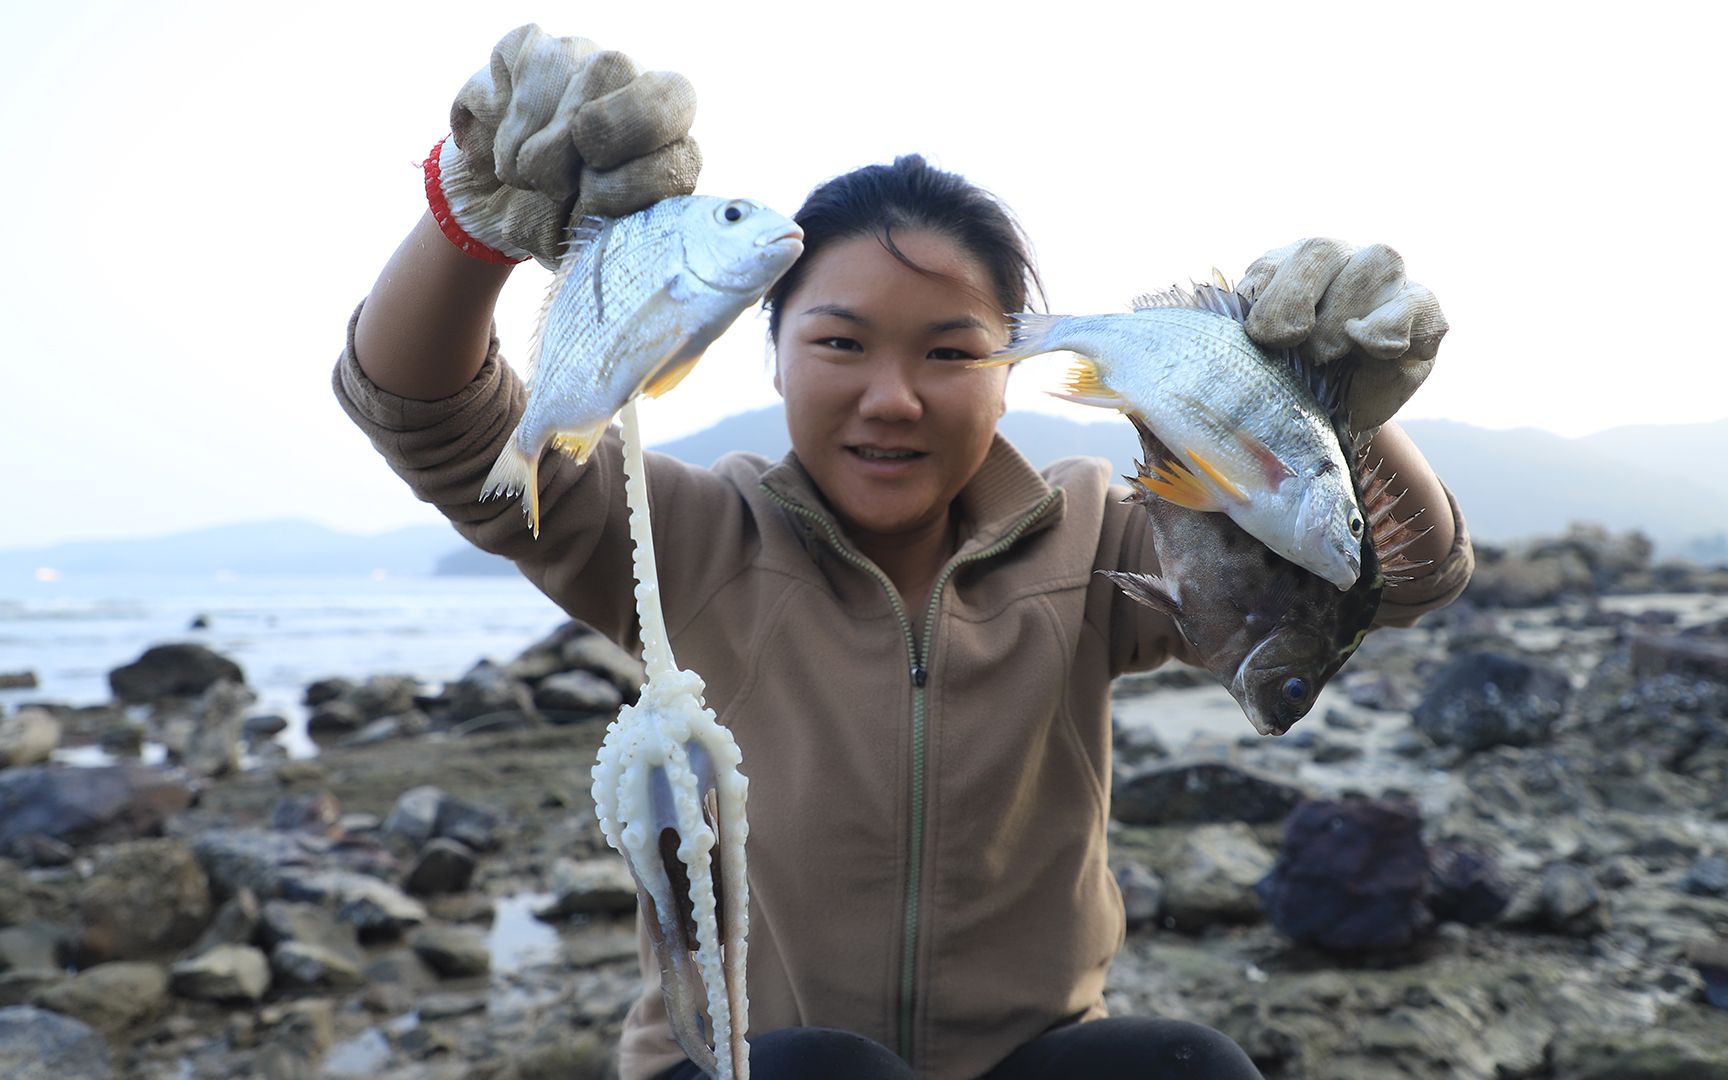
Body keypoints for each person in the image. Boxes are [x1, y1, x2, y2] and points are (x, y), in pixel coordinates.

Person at [337, 25, 1474, 1080]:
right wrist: (466, 215)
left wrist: (1343, 409)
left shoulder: (1095, 534)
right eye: (840, 342)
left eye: (948, 352)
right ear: (769, 352)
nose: (893, 398)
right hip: (746, 1061)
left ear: (1011, 366)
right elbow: (433, 420)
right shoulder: (681, 535)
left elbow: (1400, 579)